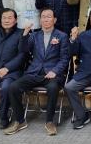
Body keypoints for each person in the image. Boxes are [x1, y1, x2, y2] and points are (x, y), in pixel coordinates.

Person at [4, 8, 70, 136]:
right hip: (34, 72)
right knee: (13, 87)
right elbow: (23, 50)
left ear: (55, 20)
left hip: (52, 74)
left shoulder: (62, 36)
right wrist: (25, 34)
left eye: (49, 16)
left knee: (53, 88)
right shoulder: (34, 35)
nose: (45, 19)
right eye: (43, 16)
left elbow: (64, 59)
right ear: (40, 20)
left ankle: (49, 121)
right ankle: (20, 121)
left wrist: (55, 71)